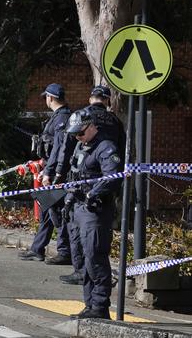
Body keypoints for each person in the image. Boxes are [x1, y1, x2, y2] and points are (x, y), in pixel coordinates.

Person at [58, 85, 126, 286]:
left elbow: (66, 149)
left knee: (92, 251)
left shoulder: (88, 123)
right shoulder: (113, 122)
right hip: (83, 192)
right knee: (83, 242)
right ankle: (87, 289)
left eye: (80, 134)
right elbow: (125, 149)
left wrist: (58, 172)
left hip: (96, 195)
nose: (78, 138)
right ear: (107, 101)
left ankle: (94, 298)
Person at [64, 108, 123, 320]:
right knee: (83, 259)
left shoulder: (105, 147)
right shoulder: (81, 145)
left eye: (80, 132)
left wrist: (93, 193)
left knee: (95, 257)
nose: (77, 137)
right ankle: (89, 304)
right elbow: (75, 174)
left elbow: (114, 177)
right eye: (74, 134)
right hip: (79, 209)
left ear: (91, 126)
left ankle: (99, 305)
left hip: (95, 210)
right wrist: (70, 197)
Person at [18, 83, 72, 263]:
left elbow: (58, 148)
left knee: (58, 213)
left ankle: (65, 252)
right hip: (52, 168)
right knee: (47, 210)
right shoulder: (59, 117)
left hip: (58, 173)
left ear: (50, 97)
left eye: (46, 97)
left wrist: (50, 172)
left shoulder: (62, 118)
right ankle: (38, 249)